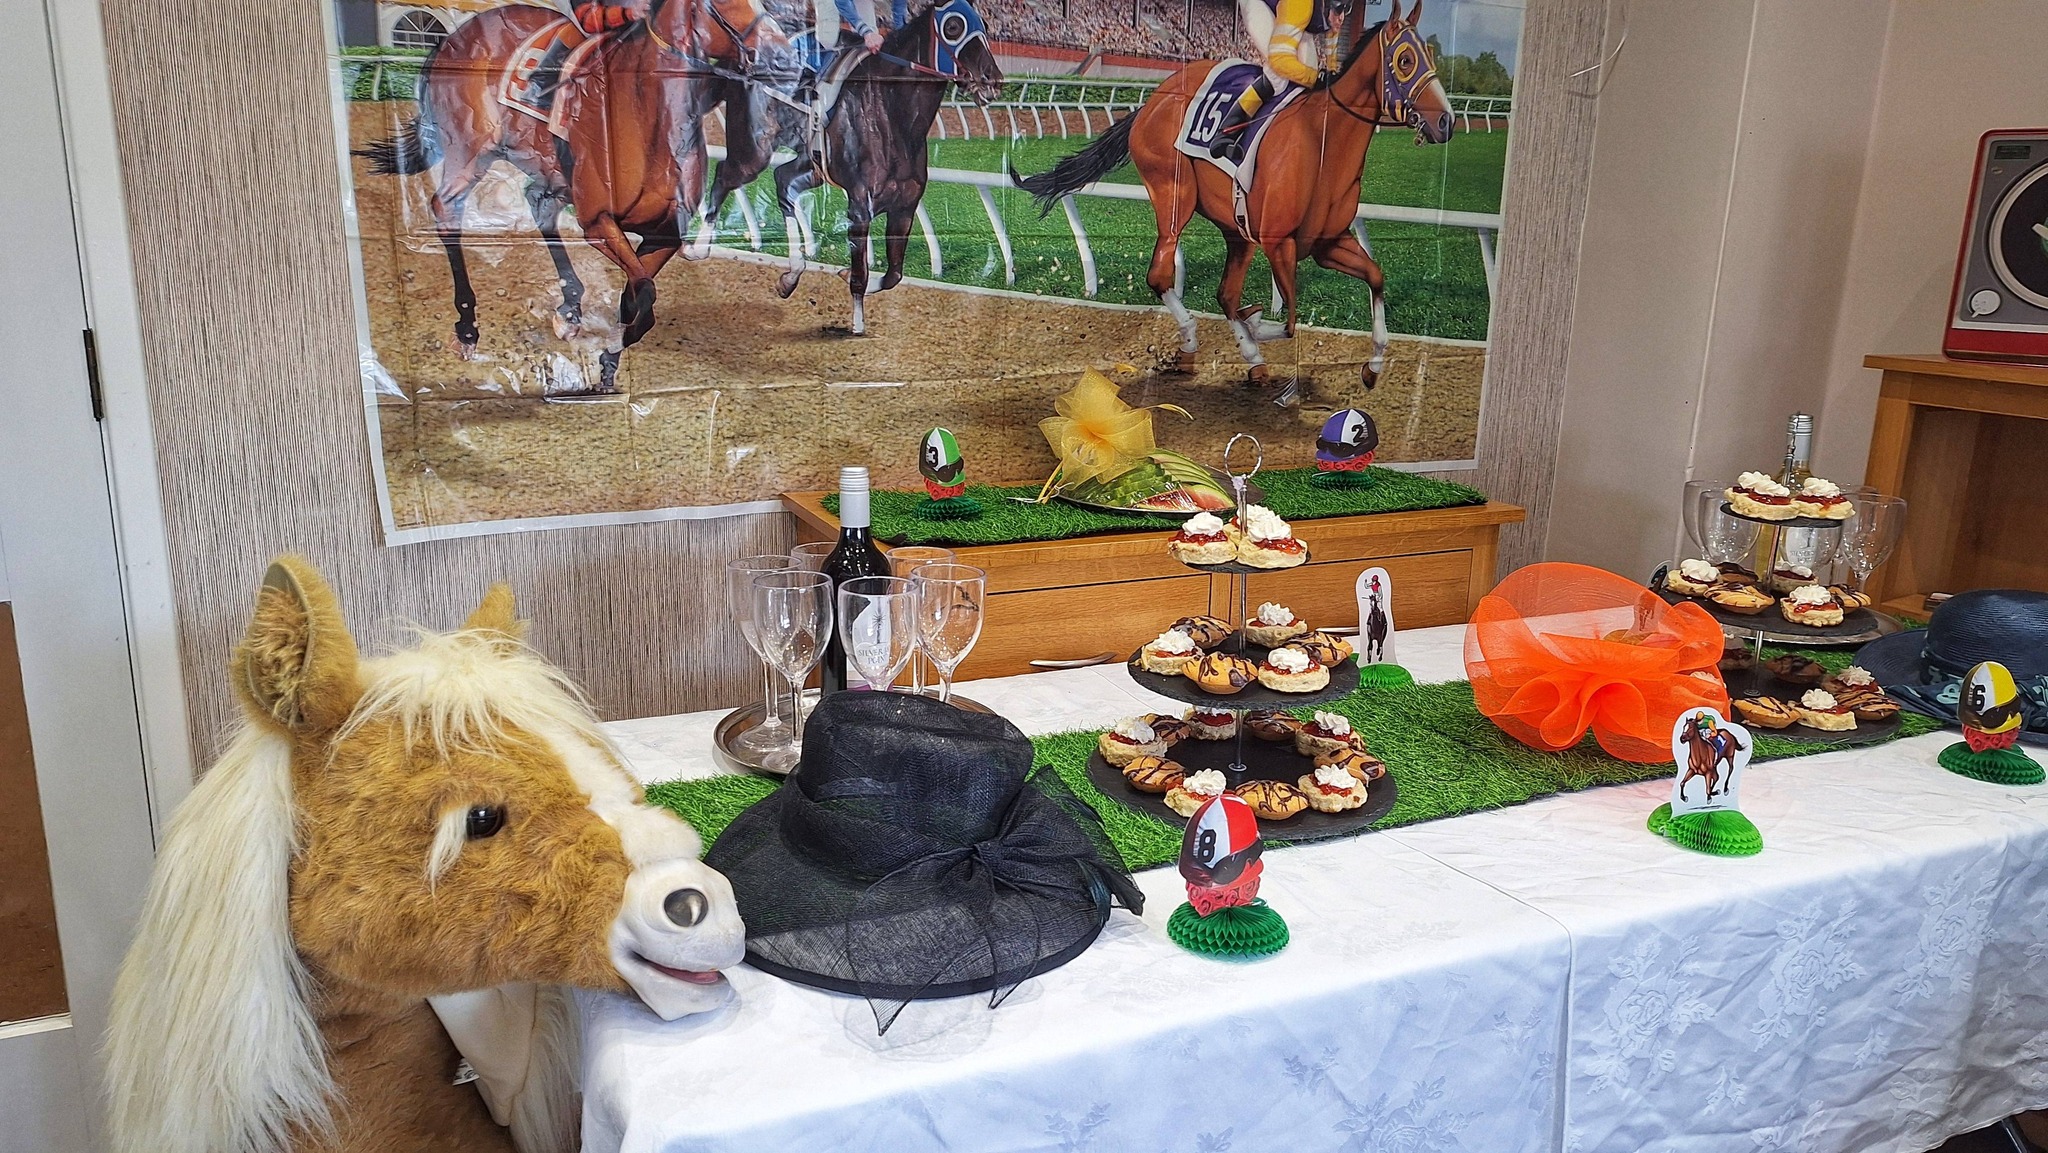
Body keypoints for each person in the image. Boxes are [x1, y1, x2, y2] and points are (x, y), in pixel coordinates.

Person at [1209, 0, 1327, 162]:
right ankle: (1226, 132)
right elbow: (1280, 59)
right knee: (1277, 77)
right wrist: (1315, 77)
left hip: (1290, 9)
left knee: (1308, 79)